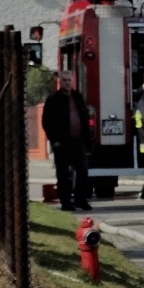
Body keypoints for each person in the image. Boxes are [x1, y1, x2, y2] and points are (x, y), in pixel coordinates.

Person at [41, 72, 94, 212]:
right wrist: (54, 140)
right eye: (64, 80)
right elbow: (47, 122)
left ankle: (80, 200)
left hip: (78, 141)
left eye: (69, 80)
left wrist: (87, 140)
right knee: (63, 174)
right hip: (62, 143)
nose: (67, 83)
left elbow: (84, 117)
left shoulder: (78, 97)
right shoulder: (53, 100)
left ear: (73, 81)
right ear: (59, 82)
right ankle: (66, 203)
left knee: (83, 171)